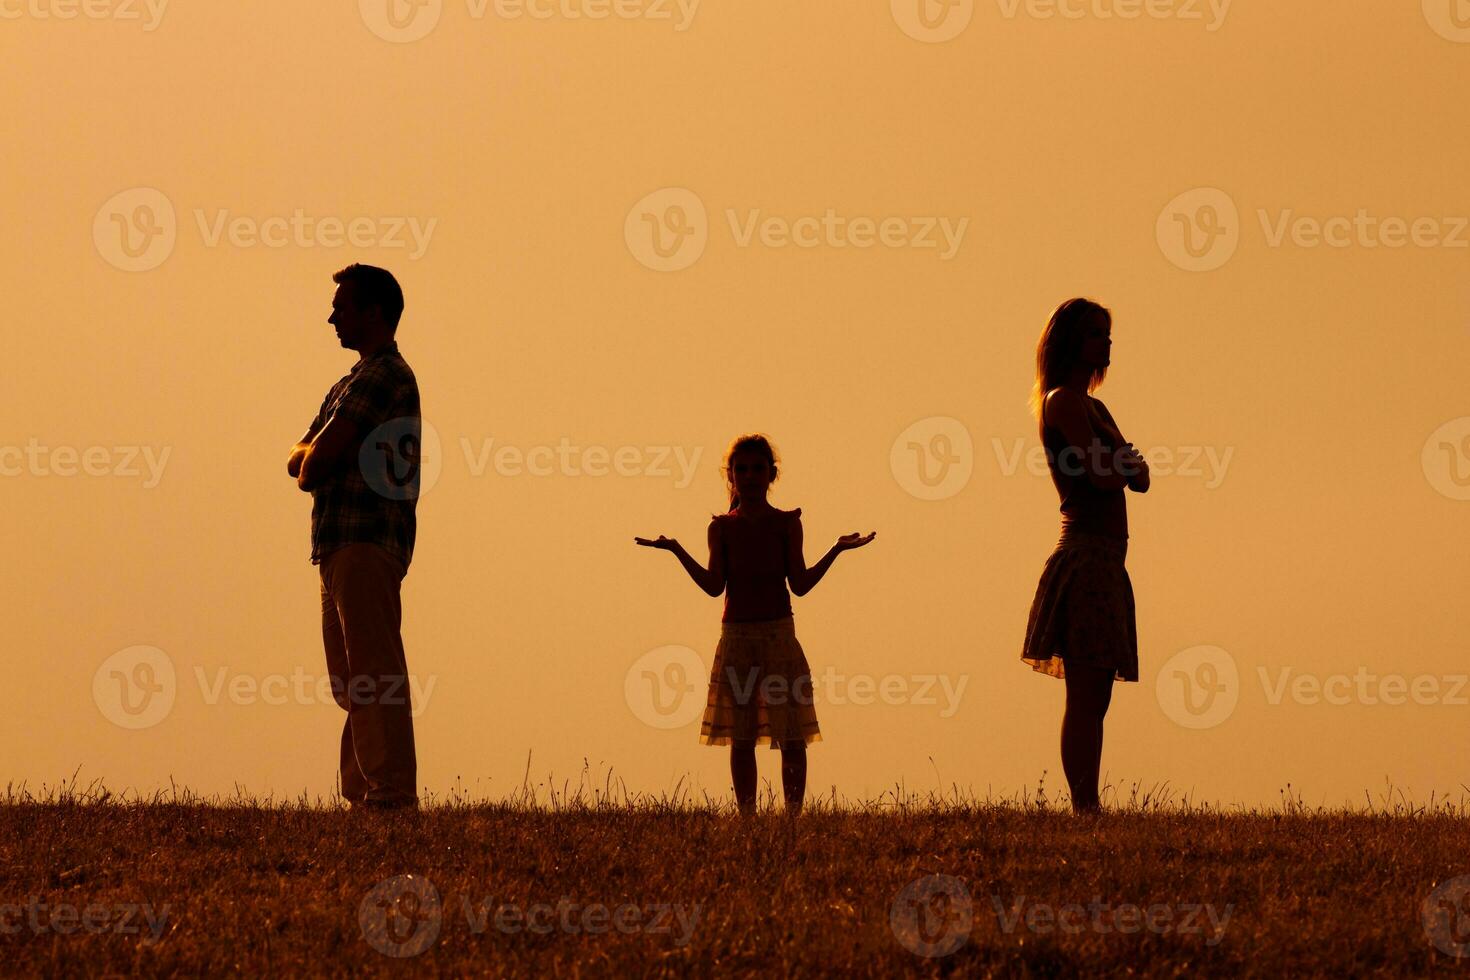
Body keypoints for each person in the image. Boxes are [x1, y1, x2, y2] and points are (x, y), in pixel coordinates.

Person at [636, 433, 875, 815]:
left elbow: (800, 583)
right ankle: (748, 819)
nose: (749, 477)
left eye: (757, 469)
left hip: (779, 636)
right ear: (730, 476)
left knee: (791, 734)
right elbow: (715, 587)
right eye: (741, 470)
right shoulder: (721, 529)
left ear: (771, 475)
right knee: (741, 736)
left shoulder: (786, 524)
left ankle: (792, 819)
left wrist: (836, 550)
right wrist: (677, 550)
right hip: (737, 640)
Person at [287, 263, 422, 812]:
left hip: (366, 538)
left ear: (374, 313)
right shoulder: (351, 381)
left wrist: (315, 457)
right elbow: (301, 456)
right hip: (340, 542)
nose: (332, 317)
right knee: (351, 678)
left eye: (342, 307)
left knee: (373, 669)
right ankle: (366, 792)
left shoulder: (381, 376)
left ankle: (390, 794)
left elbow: (311, 462)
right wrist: (314, 456)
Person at [1021, 298, 1150, 814]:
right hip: (1085, 555)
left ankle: (1087, 802)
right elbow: (1106, 473)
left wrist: (1120, 464)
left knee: (1098, 692)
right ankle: (1084, 805)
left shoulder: (1095, 407)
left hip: (1109, 558)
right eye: (1097, 334)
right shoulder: (1062, 402)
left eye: (1107, 334)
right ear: (1072, 340)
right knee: (1085, 690)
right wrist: (1121, 462)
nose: (1106, 343)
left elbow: (1138, 477)